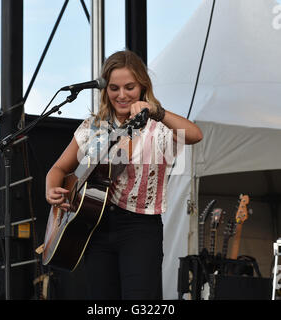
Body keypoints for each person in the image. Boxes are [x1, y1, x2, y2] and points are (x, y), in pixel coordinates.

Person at [45, 50, 203, 300]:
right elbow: (57, 170)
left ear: (142, 86)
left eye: (129, 87)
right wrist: (51, 190)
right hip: (95, 226)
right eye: (114, 88)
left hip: (139, 228)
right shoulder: (92, 127)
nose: (121, 95)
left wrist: (156, 111)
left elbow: (195, 134)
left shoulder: (159, 127)